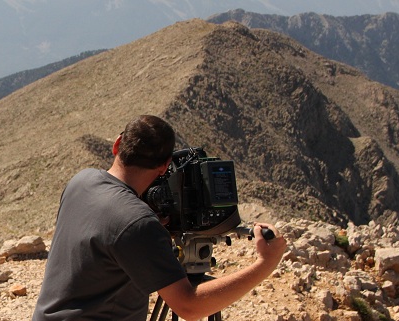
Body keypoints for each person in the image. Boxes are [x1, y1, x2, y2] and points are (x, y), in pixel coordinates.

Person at [32, 115, 287, 321]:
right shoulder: (138, 223)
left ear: (117, 145)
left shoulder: (81, 180)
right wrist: (266, 263)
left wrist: (146, 222)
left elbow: (105, 228)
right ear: (164, 166)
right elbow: (189, 307)